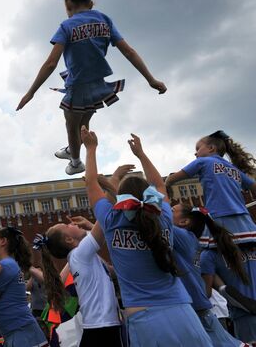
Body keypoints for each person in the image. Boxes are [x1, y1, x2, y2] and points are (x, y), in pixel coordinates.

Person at [16, 0, 166, 175]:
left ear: (68, 5)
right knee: (82, 126)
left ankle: (75, 161)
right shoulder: (104, 19)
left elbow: (50, 63)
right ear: (91, 2)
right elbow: (128, 51)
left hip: (77, 86)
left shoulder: (67, 26)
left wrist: (30, 93)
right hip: (97, 86)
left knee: (71, 125)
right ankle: (73, 149)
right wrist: (151, 79)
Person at [81, 126, 211, 346]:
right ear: (150, 196)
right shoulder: (164, 216)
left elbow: (91, 182)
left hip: (143, 317)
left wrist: (91, 148)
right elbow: (160, 184)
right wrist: (141, 154)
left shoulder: (111, 220)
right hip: (182, 310)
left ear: (121, 198)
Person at [33, 214, 123, 347]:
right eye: (67, 226)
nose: (73, 224)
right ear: (69, 239)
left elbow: (100, 234)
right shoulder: (80, 254)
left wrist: (89, 226)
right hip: (102, 326)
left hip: (98, 325)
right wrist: (111, 195)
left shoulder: (81, 256)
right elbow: (103, 220)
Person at [171, 204, 249, 346]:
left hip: (204, 308)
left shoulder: (184, 238)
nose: (167, 211)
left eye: (171, 210)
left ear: (184, 222)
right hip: (205, 307)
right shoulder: (194, 242)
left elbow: (158, 222)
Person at [166, 130, 256, 246]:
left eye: (197, 149)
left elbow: (173, 179)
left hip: (220, 217)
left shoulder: (202, 161)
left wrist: (166, 185)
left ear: (211, 148)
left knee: (212, 255)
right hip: (245, 219)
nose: (195, 153)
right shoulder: (235, 169)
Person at [0, 227, 47, 346]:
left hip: (21, 335)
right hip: (22, 332)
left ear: (3, 241)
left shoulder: (5, 267)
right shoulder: (10, 264)